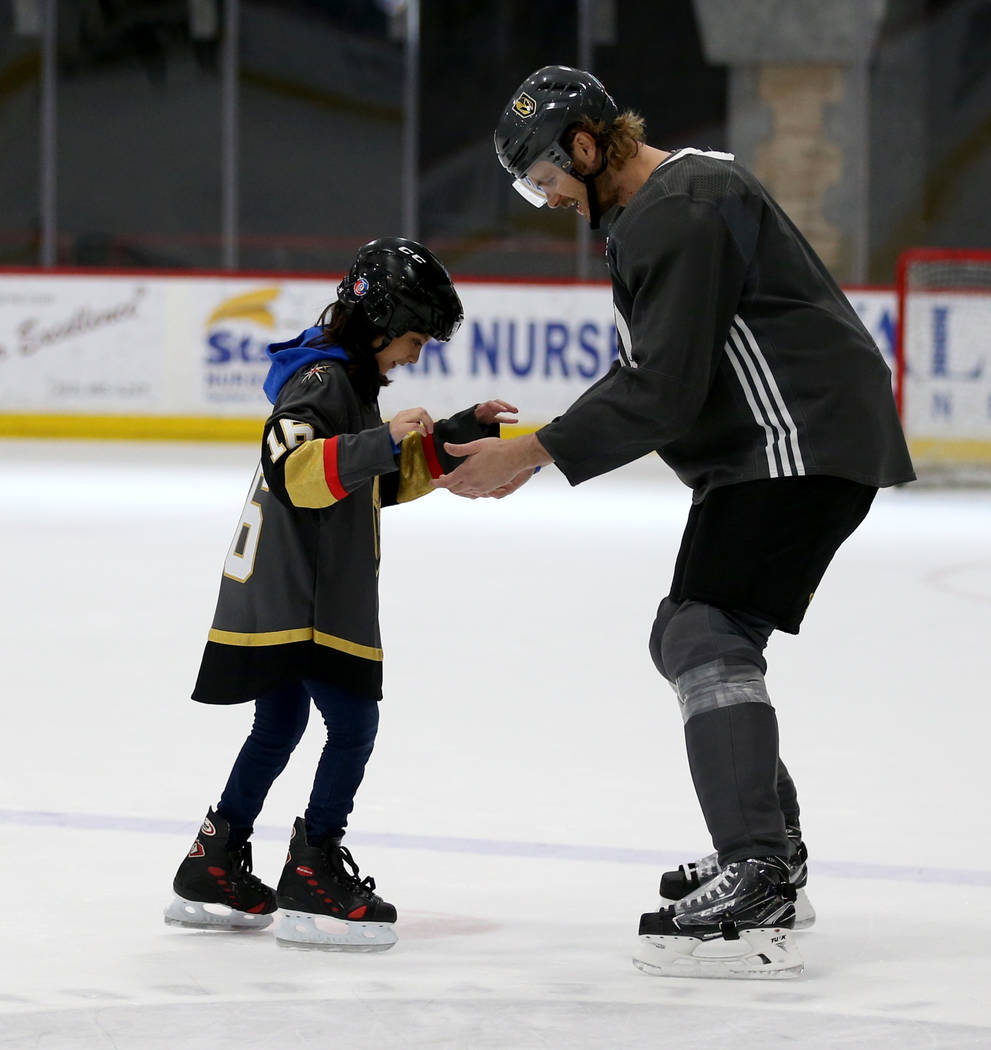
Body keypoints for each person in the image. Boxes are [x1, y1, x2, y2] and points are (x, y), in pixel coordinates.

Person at [434, 66, 915, 979]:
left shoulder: (679, 208)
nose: (547, 199)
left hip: (797, 440)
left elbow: (662, 388)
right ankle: (770, 854)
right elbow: (660, 375)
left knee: (706, 632)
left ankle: (758, 875)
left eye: (544, 179)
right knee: (684, 632)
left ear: (584, 146)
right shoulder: (671, 198)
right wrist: (539, 447)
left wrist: (531, 453)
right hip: (775, 445)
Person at [164, 237, 517, 952]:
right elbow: (295, 469)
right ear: (382, 322)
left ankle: (212, 862)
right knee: (352, 725)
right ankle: (314, 870)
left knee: (280, 723)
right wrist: (381, 440)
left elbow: (369, 484)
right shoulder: (324, 380)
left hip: (286, 592)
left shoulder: (344, 383)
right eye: (415, 339)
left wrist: (456, 435)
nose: (416, 355)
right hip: (303, 598)